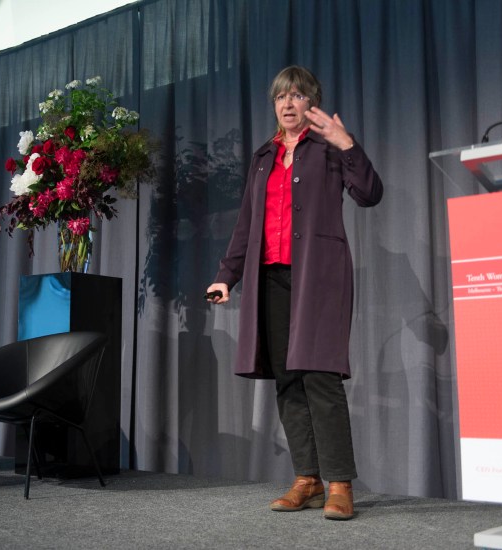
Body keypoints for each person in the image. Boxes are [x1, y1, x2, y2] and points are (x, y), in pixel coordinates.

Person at [206, 66, 383, 520]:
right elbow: (248, 223)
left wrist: (347, 145)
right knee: (286, 379)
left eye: (298, 96)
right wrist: (227, 275)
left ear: (312, 103)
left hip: (317, 278)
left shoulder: (327, 150)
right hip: (271, 278)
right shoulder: (264, 157)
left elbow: (369, 194)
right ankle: (308, 479)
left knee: (319, 375)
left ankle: (340, 483)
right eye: (281, 97)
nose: (288, 104)